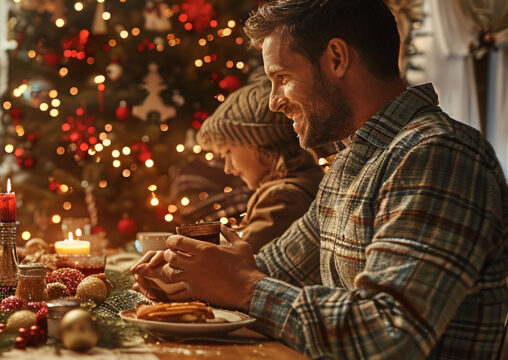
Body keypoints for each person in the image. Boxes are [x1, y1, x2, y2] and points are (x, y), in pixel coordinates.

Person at [131, 0, 508, 358]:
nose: (273, 101)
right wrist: (185, 279)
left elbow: (389, 335)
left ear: (336, 58)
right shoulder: (350, 164)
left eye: (282, 77)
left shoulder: (437, 155)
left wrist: (242, 287)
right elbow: (271, 268)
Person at [195, 75, 322, 251]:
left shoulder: (284, 197)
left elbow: (239, 258)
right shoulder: (288, 187)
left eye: (228, 152)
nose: (228, 168)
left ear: (258, 143)